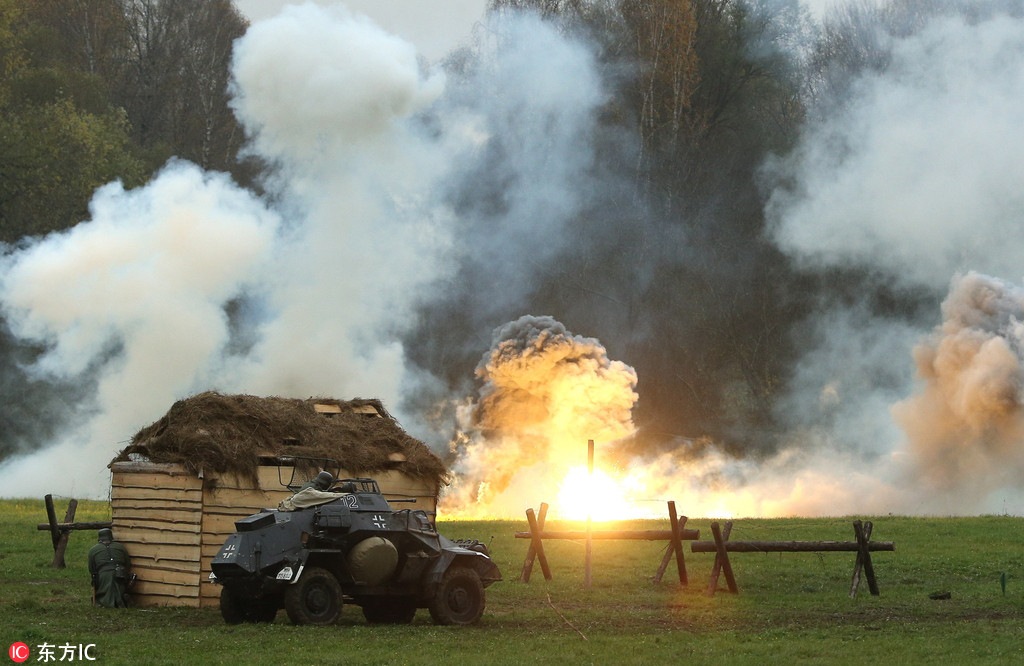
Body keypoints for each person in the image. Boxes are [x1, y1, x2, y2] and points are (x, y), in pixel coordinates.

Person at [88, 528, 132, 608]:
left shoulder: (93, 550)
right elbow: (127, 563)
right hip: (121, 573)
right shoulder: (121, 547)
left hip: (104, 575)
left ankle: (107, 603)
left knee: (104, 591)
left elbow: (92, 569)